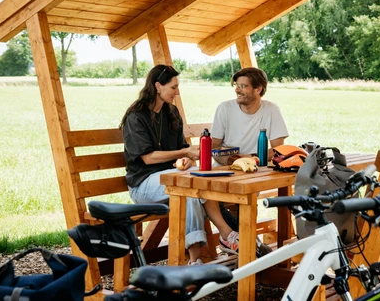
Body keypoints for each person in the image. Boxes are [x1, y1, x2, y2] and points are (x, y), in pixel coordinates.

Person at [121, 64, 241, 265]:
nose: (177, 92)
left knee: (193, 188)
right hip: (143, 185)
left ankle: (196, 261)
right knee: (189, 187)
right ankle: (226, 235)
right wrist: (184, 152)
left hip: (173, 179)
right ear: (157, 86)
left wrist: (185, 159)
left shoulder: (171, 112)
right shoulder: (136, 116)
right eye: (173, 87)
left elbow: (181, 151)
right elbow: (148, 158)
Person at [211, 67, 290, 257]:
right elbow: (213, 146)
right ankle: (245, 240)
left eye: (244, 86)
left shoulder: (271, 109)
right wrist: (232, 158)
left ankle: (245, 242)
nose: (238, 90)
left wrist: (252, 159)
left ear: (258, 89)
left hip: (256, 170)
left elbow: (278, 148)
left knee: (246, 197)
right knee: (210, 197)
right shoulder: (225, 108)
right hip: (226, 168)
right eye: (237, 86)